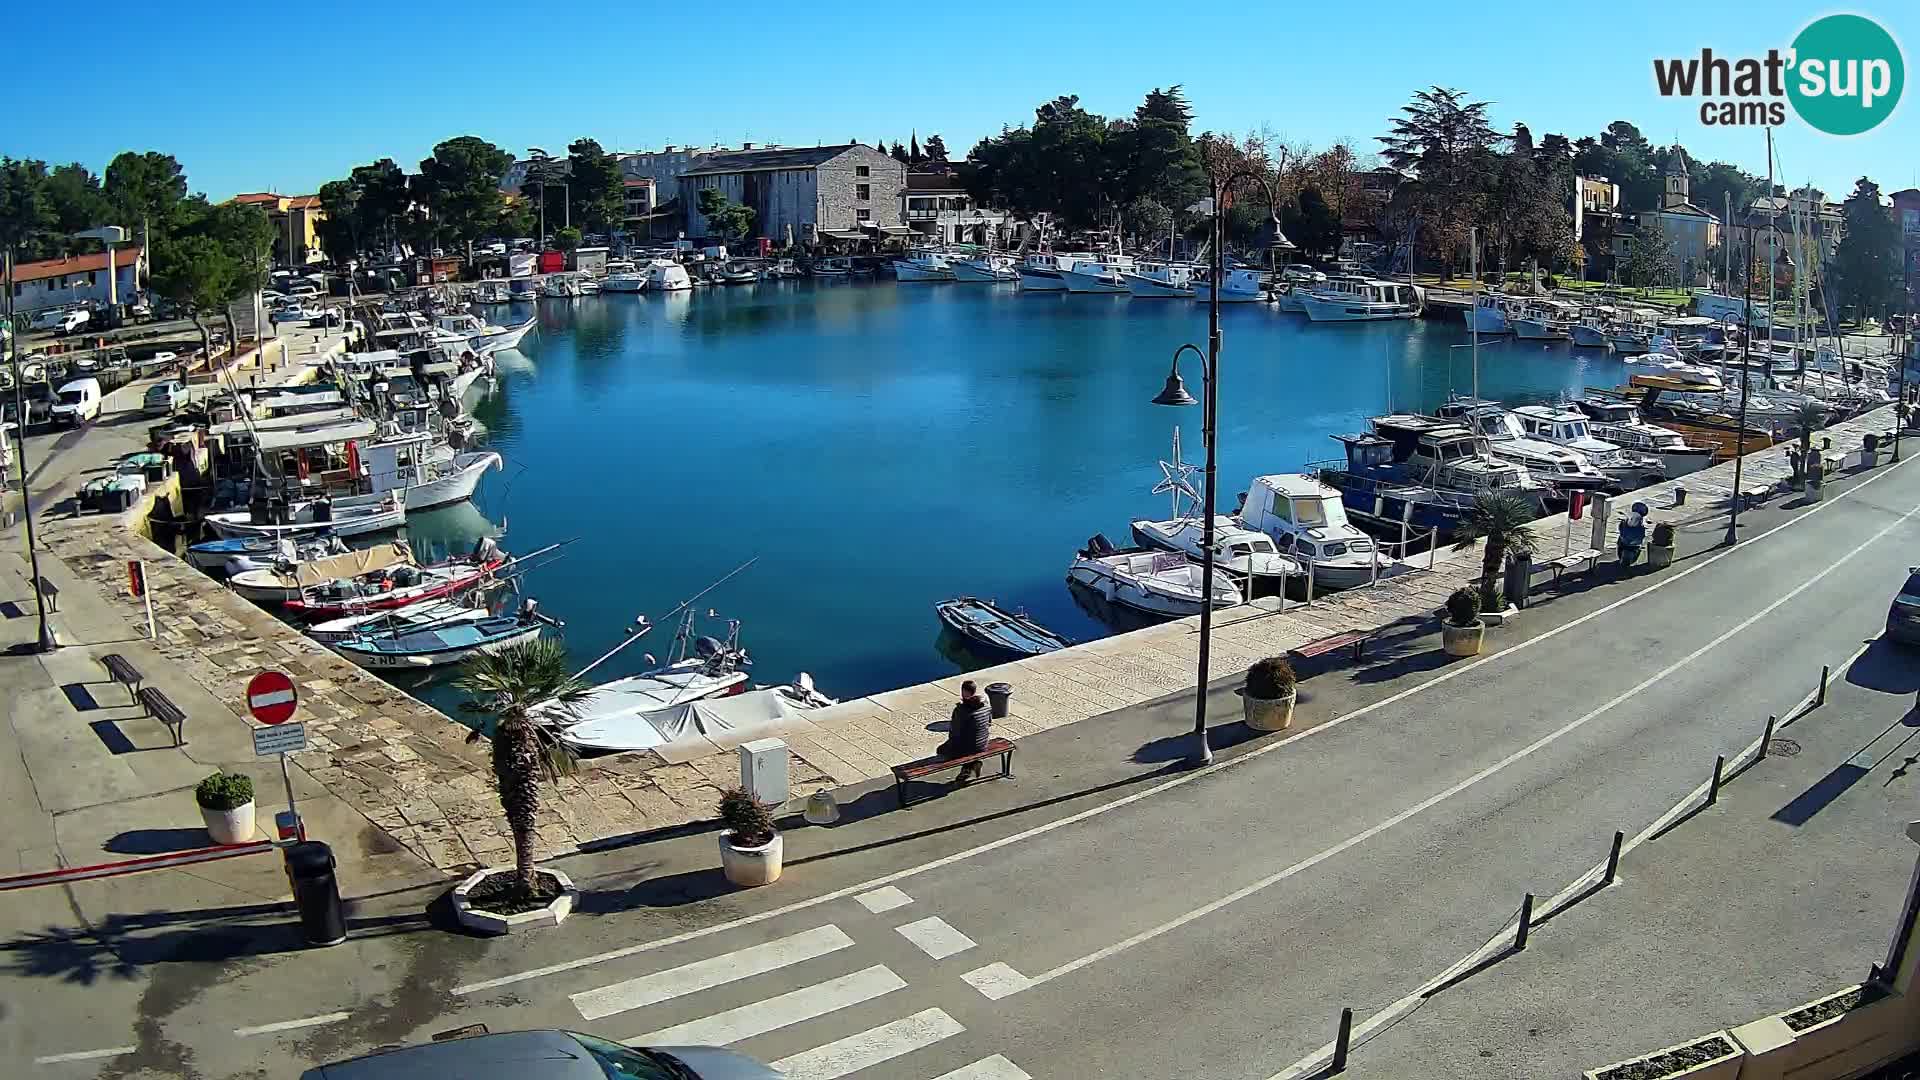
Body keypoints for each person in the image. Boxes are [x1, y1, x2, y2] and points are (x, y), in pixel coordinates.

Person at [940, 680, 992, 783]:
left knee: (941, 750)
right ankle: (971, 765)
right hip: (983, 744)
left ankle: (968, 767)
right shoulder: (986, 706)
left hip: (968, 747)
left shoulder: (961, 710)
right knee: (968, 743)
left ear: (964, 692)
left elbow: (954, 733)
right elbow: (989, 723)